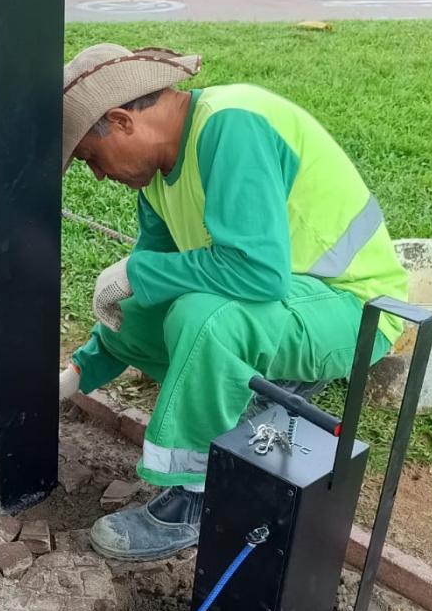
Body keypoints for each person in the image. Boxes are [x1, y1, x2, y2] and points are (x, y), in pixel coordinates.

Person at [57, 44, 409, 562]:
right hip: (285, 306)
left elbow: (257, 273)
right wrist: (77, 374)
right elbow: (147, 290)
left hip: (352, 309)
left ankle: (198, 495)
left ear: (121, 121)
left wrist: (140, 272)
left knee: (205, 319)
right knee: (137, 305)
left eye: (91, 157)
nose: (98, 175)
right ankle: (266, 385)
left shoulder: (233, 126)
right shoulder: (157, 176)